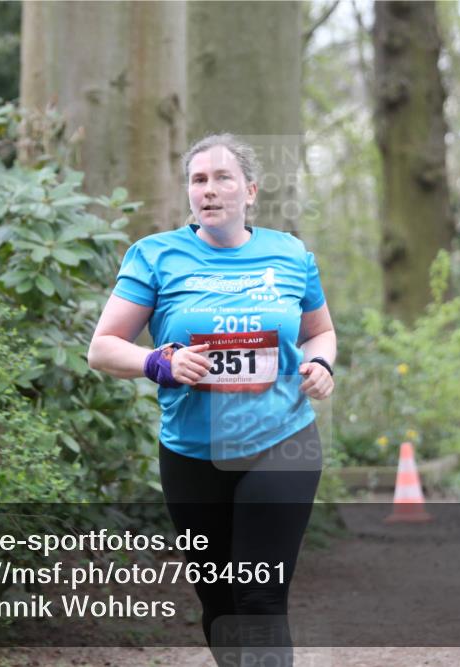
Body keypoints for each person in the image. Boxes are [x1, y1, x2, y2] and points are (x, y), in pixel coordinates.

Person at [88, 134, 336, 665]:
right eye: (198, 180)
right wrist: (159, 363)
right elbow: (102, 348)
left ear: (250, 191)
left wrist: (321, 365)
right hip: (192, 451)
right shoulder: (156, 256)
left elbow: (320, 333)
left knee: (260, 597)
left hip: (281, 442)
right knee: (220, 602)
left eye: (223, 178)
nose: (209, 189)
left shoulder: (290, 255)